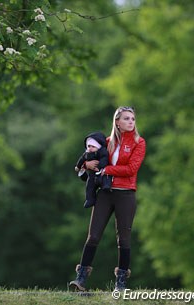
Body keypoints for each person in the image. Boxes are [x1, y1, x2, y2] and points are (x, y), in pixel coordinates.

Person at [69, 106, 146, 291]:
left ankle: (120, 284)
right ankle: (80, 279)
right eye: (126, 119)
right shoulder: (107, 142)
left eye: (133, 119)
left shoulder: (139, 142)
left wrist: (108, 170)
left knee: (124, 240)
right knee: (93, 236)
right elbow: (90, 160)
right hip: (104, 193)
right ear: (117, 122)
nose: (131, 122)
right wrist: (86, 164)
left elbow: (131, 169)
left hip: (125, 194)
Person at [75, 131, 112, 208]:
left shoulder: (102, 152)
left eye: (93, 146)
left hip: (102, 172)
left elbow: (104, 159)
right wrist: (78, 166)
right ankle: (90, 199)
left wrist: (99, 166)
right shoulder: (86, 154)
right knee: (89, 187)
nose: (90, 148)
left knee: (106, 177)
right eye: (89, 146)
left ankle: (106, 186)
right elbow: (81, 160)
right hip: (92, 174)